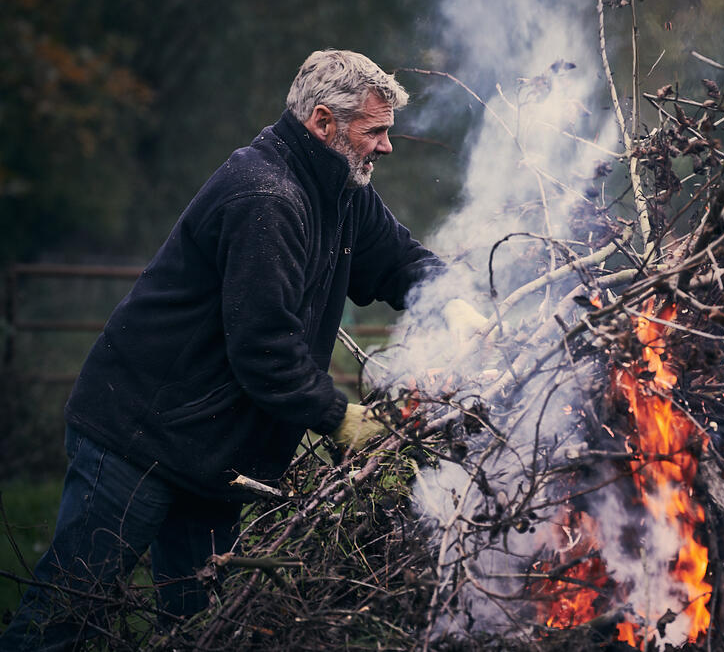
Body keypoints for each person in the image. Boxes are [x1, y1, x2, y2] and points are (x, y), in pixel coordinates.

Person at [0, 50, 485, 650]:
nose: (387, 146)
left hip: (213, 457)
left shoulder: (342, 189)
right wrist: (340, 417)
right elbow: (263, 349)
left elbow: (398, 259)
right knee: (63, 617)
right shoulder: (266, 194)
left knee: (202, 630)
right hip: (138, 438)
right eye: (375, 131)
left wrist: (455, 304)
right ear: (324, 122)